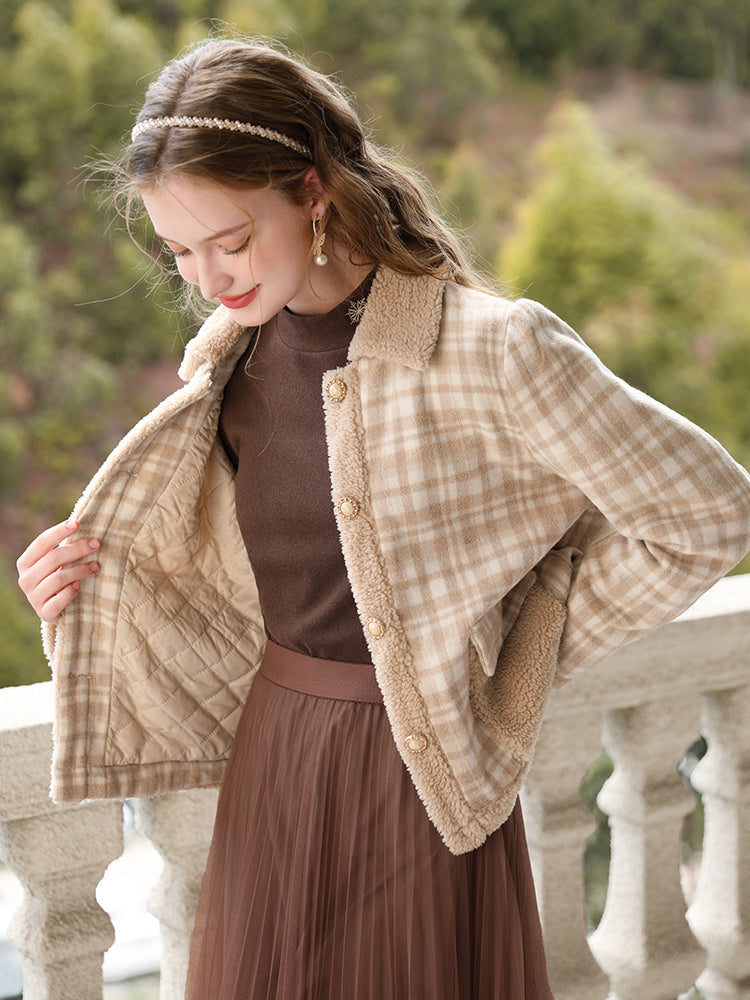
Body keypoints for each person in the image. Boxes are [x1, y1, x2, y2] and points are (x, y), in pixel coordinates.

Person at [16, 36, 750, 1000]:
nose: (206, 277)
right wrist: (72, 589)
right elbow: (237, 582)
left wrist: (524, 642)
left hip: (415, 775)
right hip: (272, 759)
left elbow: (709, 513)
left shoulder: (490, 349)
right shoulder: (228, 361)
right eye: (179, 251)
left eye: (230, 241)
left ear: (312, 192)